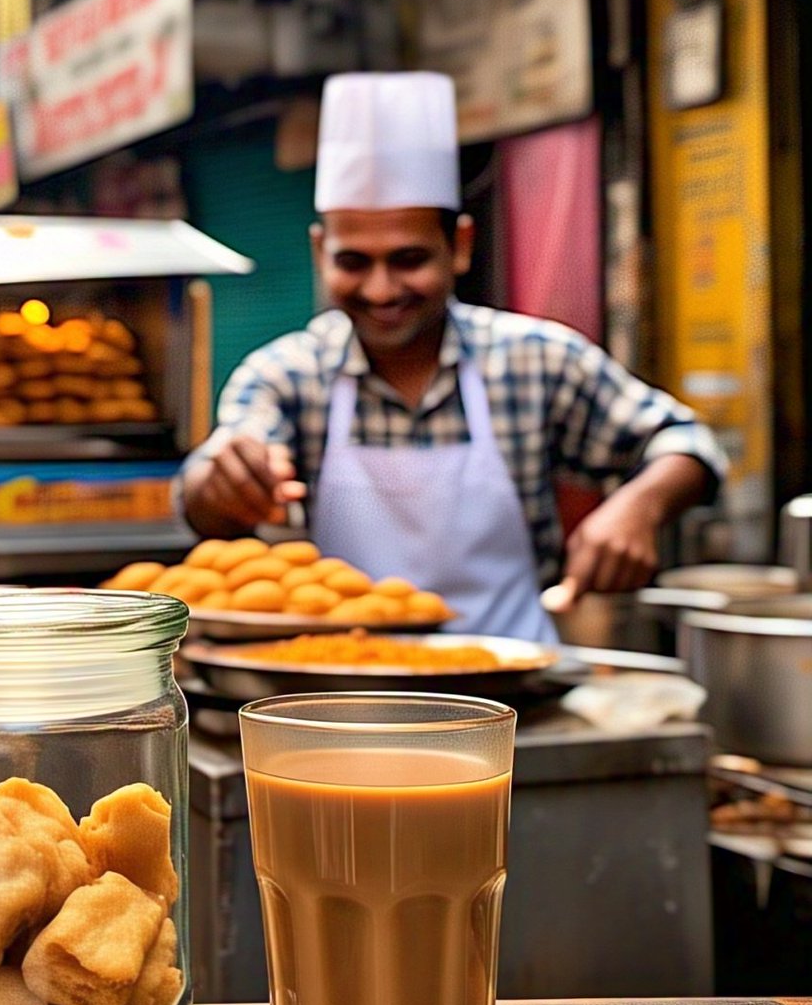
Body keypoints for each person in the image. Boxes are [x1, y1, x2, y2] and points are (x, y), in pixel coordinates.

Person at [180, 73, 727, 641]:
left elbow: (688, 441)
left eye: (409, 259)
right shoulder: (285, 376)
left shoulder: (535, 361)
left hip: (512, 678)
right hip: (341, 682)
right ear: (320, 252)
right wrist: (222, 482)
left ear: (460, 247)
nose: (381, 290)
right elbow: (210, 485)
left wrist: (641, 505)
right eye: (354, 262)